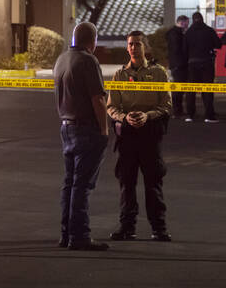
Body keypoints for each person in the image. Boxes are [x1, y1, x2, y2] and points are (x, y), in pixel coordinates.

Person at [107, 30, 174, 242]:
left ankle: (159, 228)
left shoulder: (158, 73)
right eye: (130, 44)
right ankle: (127, 227)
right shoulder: (119, 75)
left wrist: (147, 115)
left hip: (149, 133)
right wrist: (125, 118)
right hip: (127, 135)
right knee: (126, 183)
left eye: (137, 44)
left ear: (145, 46)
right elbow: (111, 106)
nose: (133, 48)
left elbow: (166, 105)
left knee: (153, 182)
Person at [54, 21, 111, 251]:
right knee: (82, 185)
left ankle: (66, 233)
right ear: (93, 41)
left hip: (66, 127)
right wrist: (104, 129)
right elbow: (98, 98)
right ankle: (80, 236)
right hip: (86, 129)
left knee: (69, 183)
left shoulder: (62, 60)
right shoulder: (88, 60)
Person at [183, 11, 222, 122]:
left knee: (191, 90)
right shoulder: (209, 31)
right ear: (202, 19)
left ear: (192, 19)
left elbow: (184, 50)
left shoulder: (188, 33)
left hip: (192, 63)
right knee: (207, 89)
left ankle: (190, 115)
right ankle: (209, 115)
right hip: (207, 63)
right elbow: (218, 44)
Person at [166, 15, 190, 117]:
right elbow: (178, 49)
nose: (187, 25)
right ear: (182, 22)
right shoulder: (176, 33)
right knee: (178, 88)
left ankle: (178, 110)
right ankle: (177, 111)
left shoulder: (172, 32)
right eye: (187, 23)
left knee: (179, 88)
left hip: (176, 64)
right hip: (179, 65)